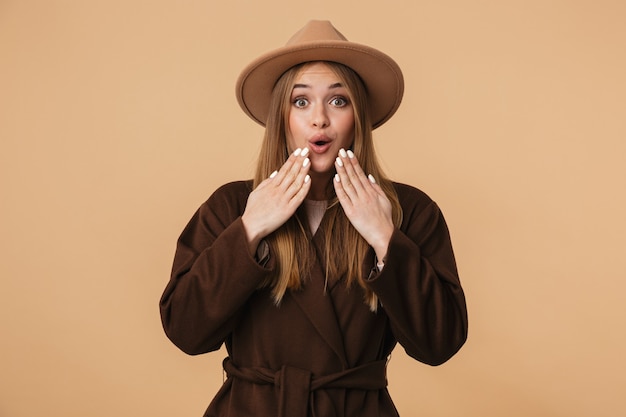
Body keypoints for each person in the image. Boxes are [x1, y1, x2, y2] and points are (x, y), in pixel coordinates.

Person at [160, 20, 468, 417]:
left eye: (338, 101)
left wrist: (385, 238)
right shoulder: (233, 206)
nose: (319, 119)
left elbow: (439, 344)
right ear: (280, 116)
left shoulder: (408, 210)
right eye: (301, 102)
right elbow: (186, 331)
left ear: (358, 115)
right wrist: (250, 230)